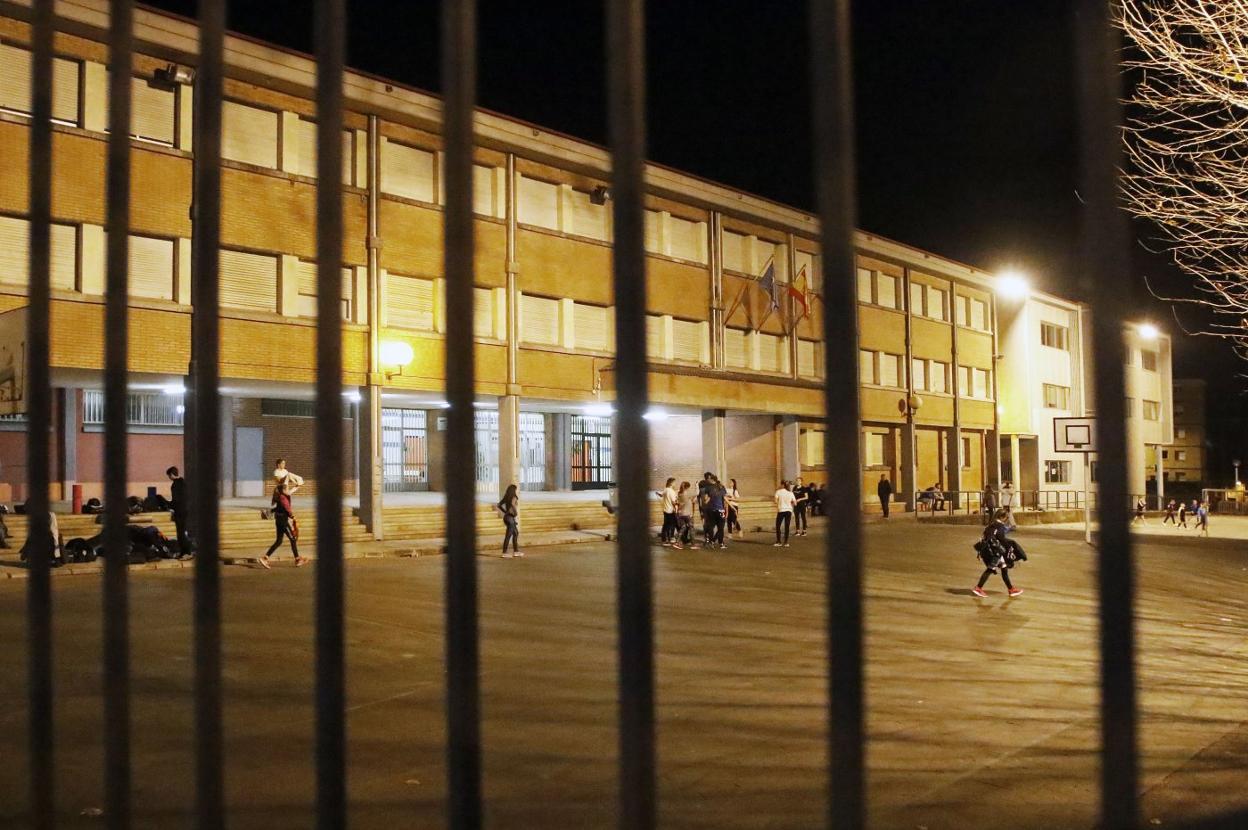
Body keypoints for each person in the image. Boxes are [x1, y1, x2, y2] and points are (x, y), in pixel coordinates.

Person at [972, 509, 1025, 597]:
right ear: (1002, 517)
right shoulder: (999, 526)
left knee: (1004, 569)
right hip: (995, 552)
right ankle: (978, 588)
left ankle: (1011, 589)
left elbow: (986, 537)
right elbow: (1001, 539)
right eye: (1006, 517)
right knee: (990, 569)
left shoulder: (991, 525)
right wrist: (1009, 548)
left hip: (990, 550)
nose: (1007, 519)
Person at [257, 482, 305, 569]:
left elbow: (289, 493)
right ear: (283, 491)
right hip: (283, 522)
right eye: (286, 489)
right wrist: (293, 517)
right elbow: (287, 509)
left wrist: (297, 487)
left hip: (279, 521)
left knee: (279, 541)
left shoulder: (280, 496)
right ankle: (297, 559)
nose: (288, 490)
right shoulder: (283, 499)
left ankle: (265, 558)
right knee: (293, 539)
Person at [167, 466, 192, 557]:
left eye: (169, 476)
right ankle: (186, 552)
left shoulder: (175, 485)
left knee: (180, 533)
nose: (169, 478)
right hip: (186, 510)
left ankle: (185, 552)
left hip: (179, 512)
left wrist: (169, 506)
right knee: (184, 532)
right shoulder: (184, 483)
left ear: (172, 475)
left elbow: (176, 500)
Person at [498, 483, 522, 558]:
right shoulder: (514, 497)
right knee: (508, 535)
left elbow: (499, 505)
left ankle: (516, 551)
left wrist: (505, 511)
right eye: (515, 490)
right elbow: (512, 504)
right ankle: (504, 552)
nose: (516, 491)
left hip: (507, 517)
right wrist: (514, 512)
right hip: (510, 518)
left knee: (515, 533)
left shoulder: (506, 497)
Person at [705, 475, 729, 549]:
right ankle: (721, 543)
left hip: (712, 510)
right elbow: (725, 499)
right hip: (720, 510)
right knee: (721, 528)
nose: (708, 480)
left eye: (709, 479)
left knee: (711, 527)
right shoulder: (721, 487)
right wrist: (729, 508)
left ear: (712, 479)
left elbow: (706, 500)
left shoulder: (708, 488)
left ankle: (711, 542)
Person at [672, 481, 696, 550]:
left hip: (680, 514)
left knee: (683, 527)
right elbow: (697, 493)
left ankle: (677, 541)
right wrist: (696, 485)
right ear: (687, 487)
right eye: (689, 487)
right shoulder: (687, 493)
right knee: (691, 528)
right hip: (687, 514)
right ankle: (693, 544)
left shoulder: (679, 493)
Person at [774, 480, 796, 547]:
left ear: (782, 484)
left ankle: (779, 542)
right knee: (787, 526)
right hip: (789, 511)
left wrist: (779, 504)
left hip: (781, 510)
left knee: (778, 526)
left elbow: (775, 501)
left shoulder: (778, 491)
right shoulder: (790, 493)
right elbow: (795, 503)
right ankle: (786, 542)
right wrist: (789, 503)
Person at [657, 478, 678, 545]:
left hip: (665, 510)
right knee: (671, 525)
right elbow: (674, 502)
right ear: (671, 483)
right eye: (674, 483)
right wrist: (677, 507)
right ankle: (668, 539)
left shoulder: (665, 489)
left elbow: (661, 495)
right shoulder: (671, 491)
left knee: (666, 525)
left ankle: (666, 539)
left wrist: (657, 493)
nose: (675, 484)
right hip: (670, 510)